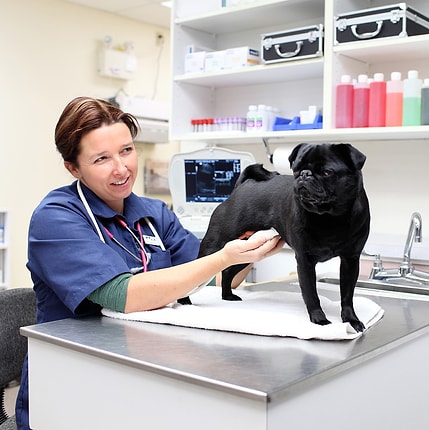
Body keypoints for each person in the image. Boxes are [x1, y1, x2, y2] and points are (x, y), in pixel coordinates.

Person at [15, 96, 283, 429]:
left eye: (126, 150)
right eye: (102, 158)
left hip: (146, 365)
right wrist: (224, 256)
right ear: (74, 167)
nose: (121, 168)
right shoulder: (56, 218)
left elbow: (212, 280)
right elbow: (121, 295)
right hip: (75, 379)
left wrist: (252, 241)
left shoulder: (153, 213)